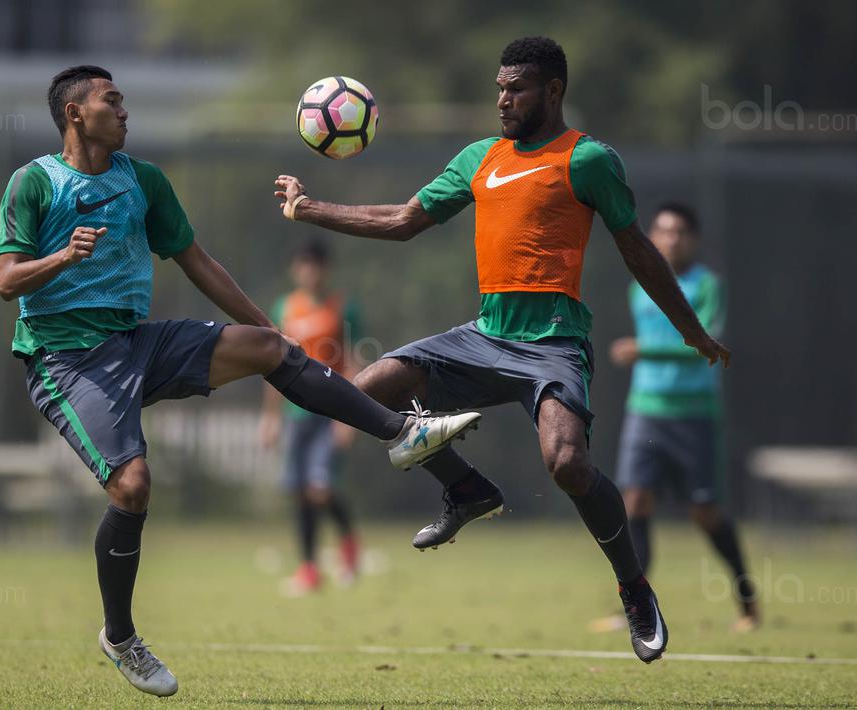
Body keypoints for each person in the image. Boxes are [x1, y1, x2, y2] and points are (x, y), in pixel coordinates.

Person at [0, 65, 483, 697]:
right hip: (66, 358)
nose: (123, 110)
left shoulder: (143, 181)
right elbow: (7, 281)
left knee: (262, 345)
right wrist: (64, 256)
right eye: (110, 101)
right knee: (133, 486)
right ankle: (120, 636)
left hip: (137, 342)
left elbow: (197, 262)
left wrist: (269, 335)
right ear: (74, 114)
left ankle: (400, 432)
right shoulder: (33, 182)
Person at [273, 37, 730, 663]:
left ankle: (634, 586)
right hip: (484, 335)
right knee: (366, 389)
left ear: (554, 91)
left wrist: (690, 329)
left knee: (567, 463)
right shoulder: (480, 157)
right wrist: (310, 208)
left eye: (516, 87)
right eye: (499, 87)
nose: (503, 98)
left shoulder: (589, 159)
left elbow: (638, 251)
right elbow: (404, 220)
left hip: (553, 344)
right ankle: (466, 489)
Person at [608, 202, 759, 631]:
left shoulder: (708, 285)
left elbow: (707, 343)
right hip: (645, 411)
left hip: (695, 414)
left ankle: (747, 600)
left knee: (704, 512)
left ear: (693, 238)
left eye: (678, 232)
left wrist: (643, 351)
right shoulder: (641, 284)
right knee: (634, 501)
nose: (669, 239)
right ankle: (639, 605)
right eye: (661, 231)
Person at [259, 240, 364, 595]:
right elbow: (273, 365)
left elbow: (351, 362)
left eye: (316, 265)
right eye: (304, 265)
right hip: (295, 413)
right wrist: (270, 418)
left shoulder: (343, 308)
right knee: (300, 492)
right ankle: (309, 569)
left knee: (320, 488)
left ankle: (349, 546)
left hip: (330, 411)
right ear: (295, 269)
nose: (310, 272)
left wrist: (349, 418)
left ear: (326, 269)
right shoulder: (285, 307)